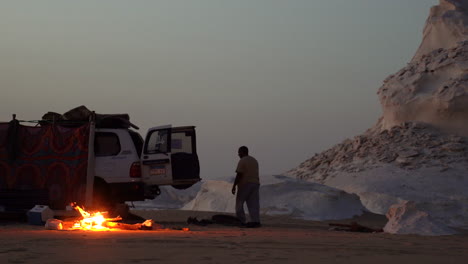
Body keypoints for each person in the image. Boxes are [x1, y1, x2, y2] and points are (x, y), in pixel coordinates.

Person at [231, 146, 261, 228]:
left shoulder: (242, 161)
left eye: (239, 152)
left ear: (242, 152)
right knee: (253, 204)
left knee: (239, 203)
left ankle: (241, 220)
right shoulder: (254, 160)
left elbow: (239, 174)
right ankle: (256, 221)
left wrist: (234, 186)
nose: (238, 154)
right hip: (255, 184)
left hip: (245, 184)